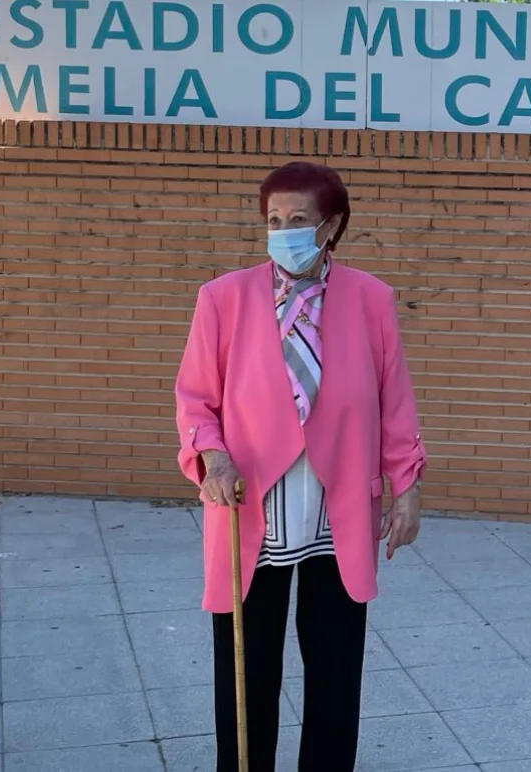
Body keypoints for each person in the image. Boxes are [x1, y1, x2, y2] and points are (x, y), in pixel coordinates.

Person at [174, 161, 427, 772]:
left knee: (336, 671)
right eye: (274, 220)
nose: (283, 231)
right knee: (247, 671)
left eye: (299, 220)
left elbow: (394, 402)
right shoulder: (223, 299)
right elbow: (195, 400)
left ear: (331, 225)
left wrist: (408, 486)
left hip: (335, 514)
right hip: (251, 510)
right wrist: (213, 455)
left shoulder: (371, 300)